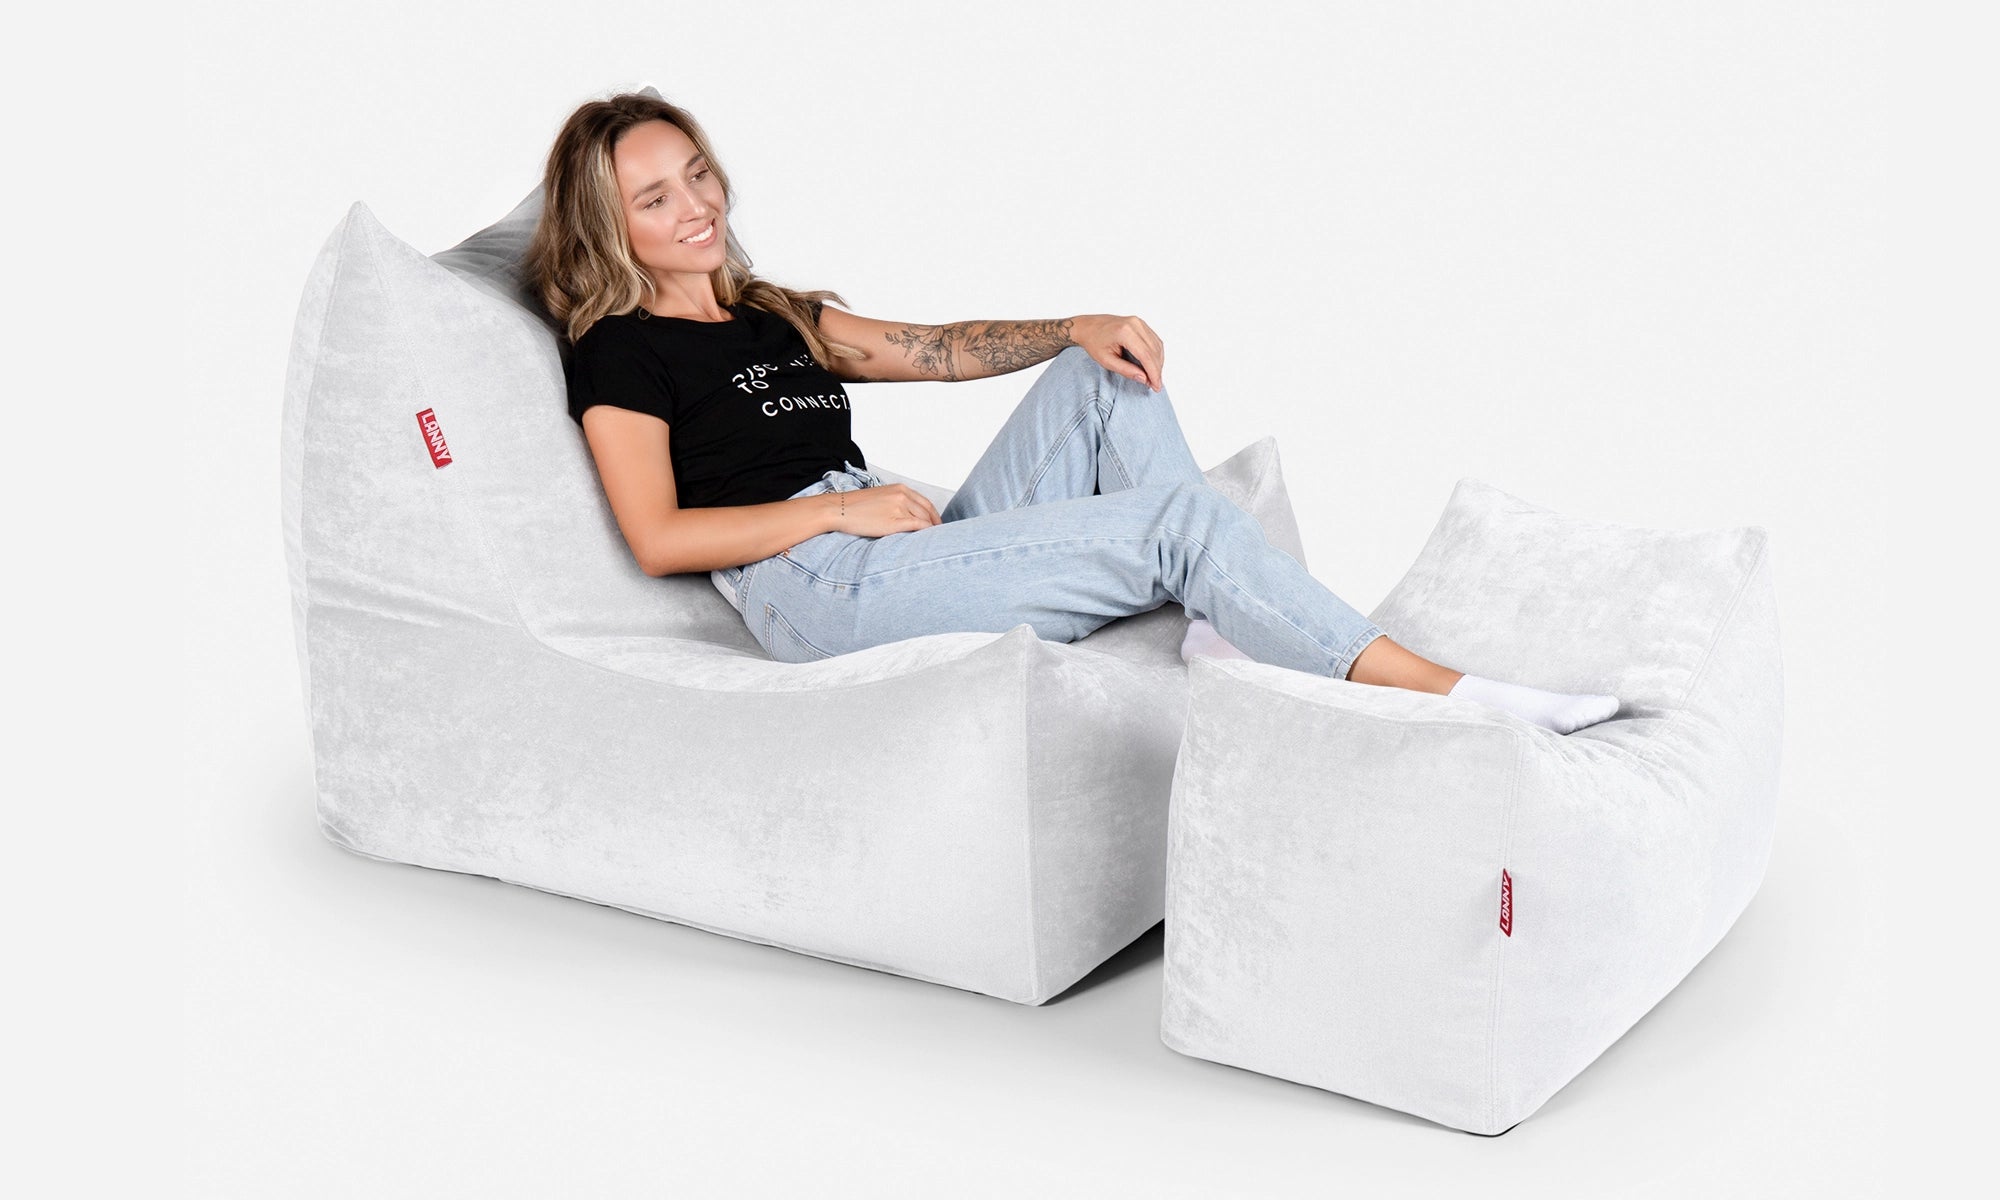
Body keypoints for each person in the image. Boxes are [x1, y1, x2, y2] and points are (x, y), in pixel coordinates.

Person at [524, 92, 1620, 735]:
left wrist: (1069, 327)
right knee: (1173, 527)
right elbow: (659, 537)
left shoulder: (770, 312)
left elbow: (941, 354)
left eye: (697, 175)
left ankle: (1228, 623)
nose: (695, 208)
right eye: (653, 197)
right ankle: (1442, 697)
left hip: (892, 537)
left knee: (1103, 380)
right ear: (608, 224)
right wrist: (832, 519)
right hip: (814, 584)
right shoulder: (619, 347)